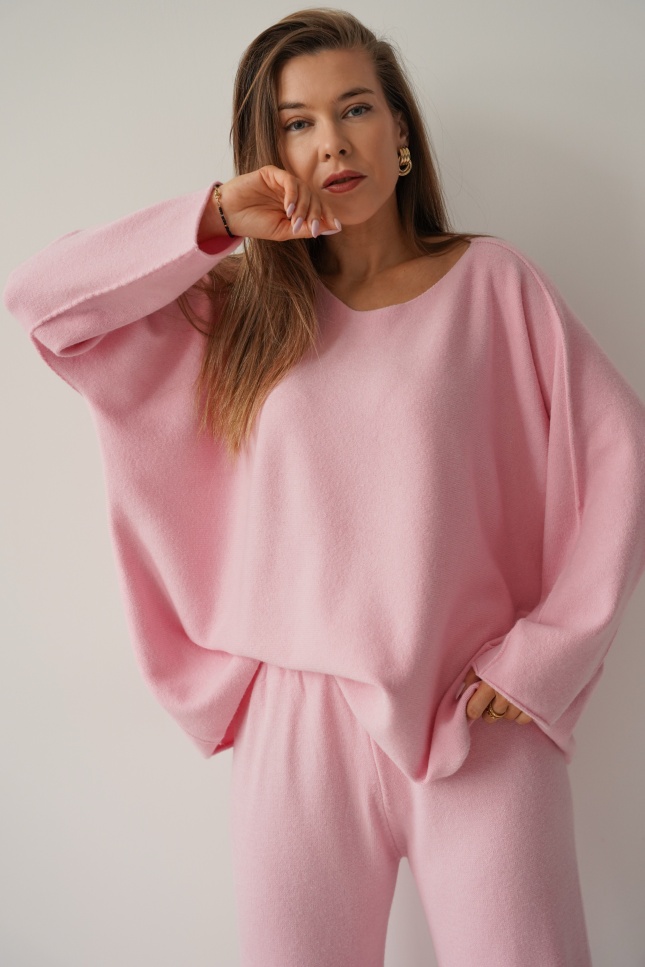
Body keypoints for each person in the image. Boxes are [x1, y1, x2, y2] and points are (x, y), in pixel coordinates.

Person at [5, 8, 645, 966]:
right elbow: (44, 305)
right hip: (297, 721)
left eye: (355, 109)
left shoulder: (494, 284)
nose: (331, 142)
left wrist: (547, 654)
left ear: (399, 131)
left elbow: (621, 459)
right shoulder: (235, 312)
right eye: (296, 123)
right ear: (270, 155)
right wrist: (217, 218)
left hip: (474, 709)